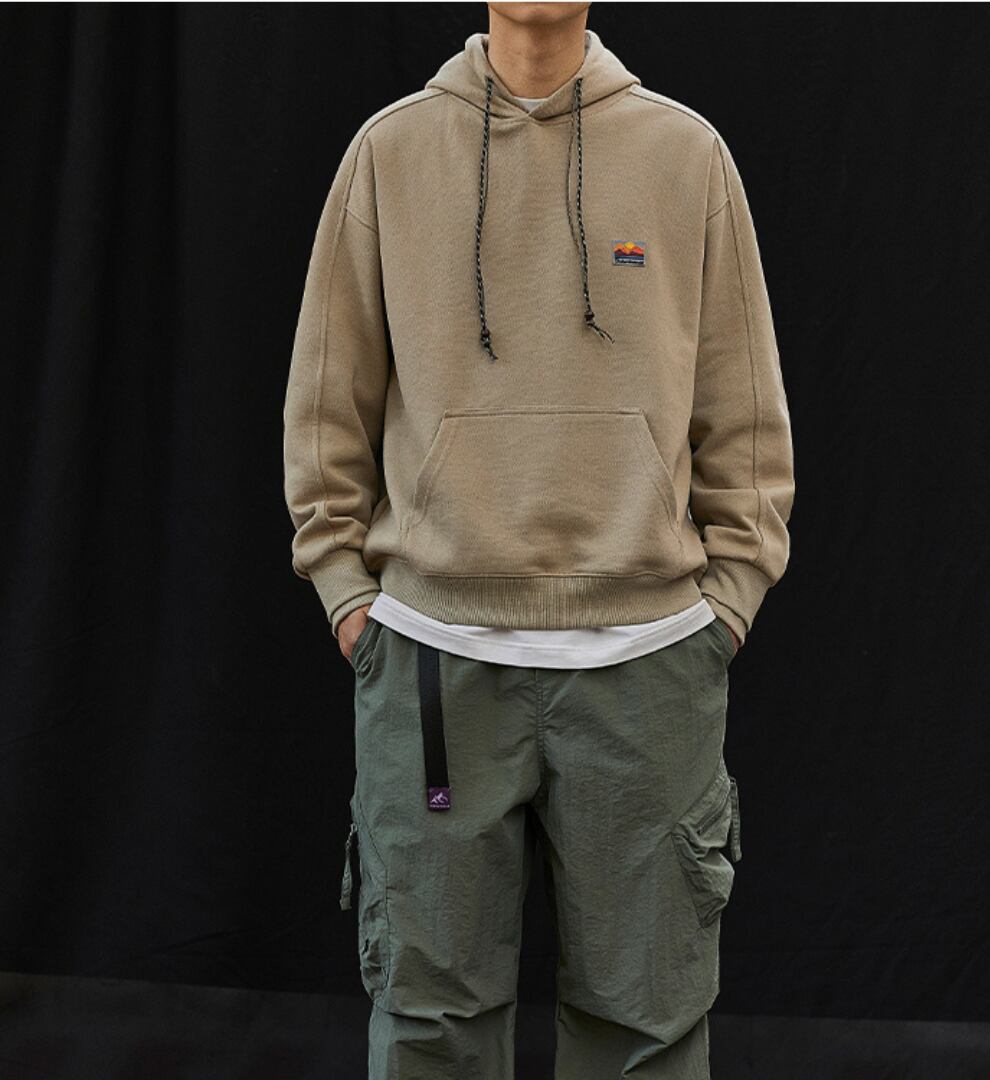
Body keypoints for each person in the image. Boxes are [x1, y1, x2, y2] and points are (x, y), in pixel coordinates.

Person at [282, 3, 794, 1076]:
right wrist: (347, 595)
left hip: (649, 666)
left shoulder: (685, 154)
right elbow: (327, 406)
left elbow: (745, 416)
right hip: (432, 662)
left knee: (645, 1030)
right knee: (430, 1025)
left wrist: (728, 603)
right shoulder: (391, 152)